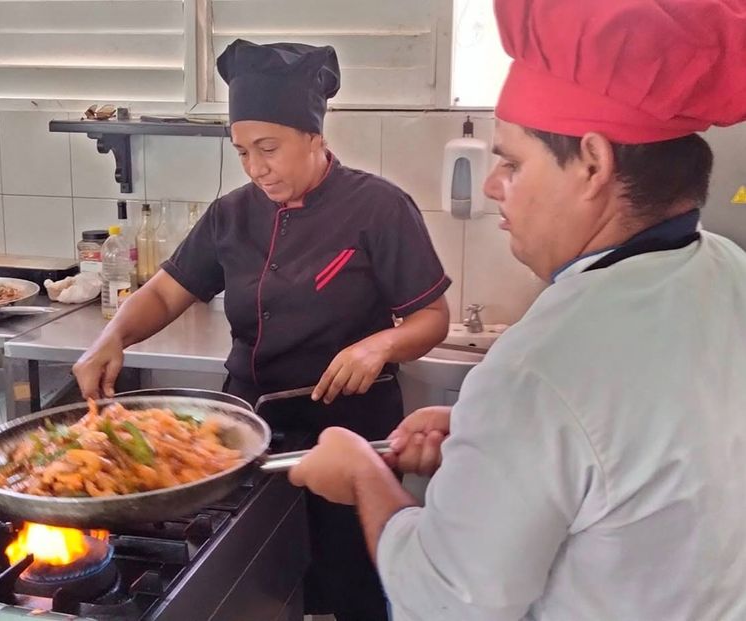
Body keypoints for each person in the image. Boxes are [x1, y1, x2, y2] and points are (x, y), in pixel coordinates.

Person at [288, 0, 746, 619]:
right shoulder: (727, 269)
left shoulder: (540, 369)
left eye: (512, 162)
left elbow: (444, 603)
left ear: (592, 163)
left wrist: (363, 475)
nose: (492, 185)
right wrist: (487, 438)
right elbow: (632, 458)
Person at [72, 39, 451, 620]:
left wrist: (381, 344)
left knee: (356, 591)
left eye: (268, 149)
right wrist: (112, 337)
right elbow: (170, 290)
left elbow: (431, 319)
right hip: (248, 437)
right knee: (254, 588)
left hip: (349, 437)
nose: (255, 167)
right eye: (243, 151)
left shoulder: (380, 208)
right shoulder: (231, 213)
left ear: (315, 137)